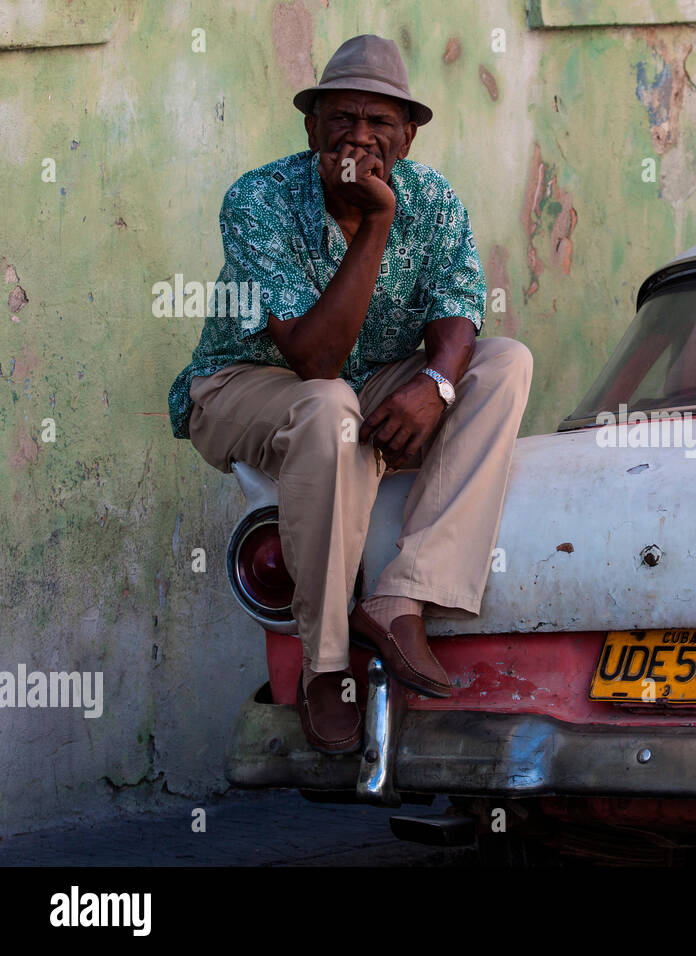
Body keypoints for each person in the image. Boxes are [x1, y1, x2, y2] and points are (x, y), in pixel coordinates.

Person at [166, 34, 532, 754]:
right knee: (330, 404)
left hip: (368, 384)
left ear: (409, 134)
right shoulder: (259, 200)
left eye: (379, 124)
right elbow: (315, 356)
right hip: (245, 384)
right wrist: (377, 222)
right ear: (311, 126)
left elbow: (457, 310)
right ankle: (326, 663)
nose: (358, 138)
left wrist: (435, 384)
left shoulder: (434, 197)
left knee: (504, 363)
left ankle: (402, 598)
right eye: (341, 119)